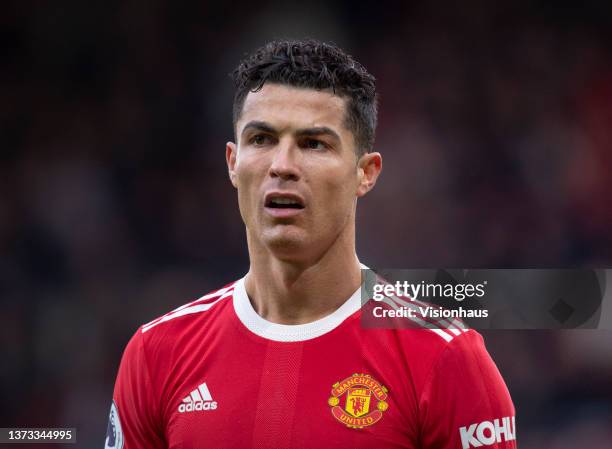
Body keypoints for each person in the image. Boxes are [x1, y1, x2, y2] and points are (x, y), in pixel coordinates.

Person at [105, 39, 516, 449]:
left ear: (366, 173)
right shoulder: (157, 354)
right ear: (233, 162)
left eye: (313, 144)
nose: (282, 166)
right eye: (262, 139)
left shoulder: (445, 359)